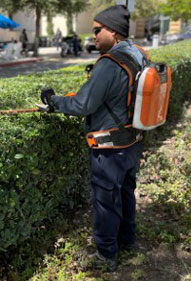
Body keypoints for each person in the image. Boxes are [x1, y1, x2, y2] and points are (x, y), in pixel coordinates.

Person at [38, 5, 145, 271]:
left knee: (106, 201)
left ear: (114, 32)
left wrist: (53, 101)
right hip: (133, 141)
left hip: (109, 147)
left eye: (97, 30)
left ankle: (105, 255)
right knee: (126, 192)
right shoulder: (139, 54)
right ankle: (128, 241)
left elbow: (82, 105)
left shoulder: (110, 64)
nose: (94, 36)